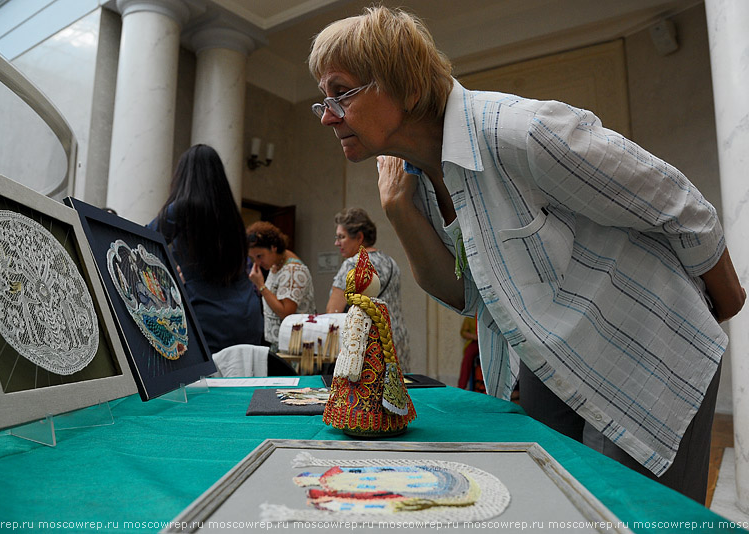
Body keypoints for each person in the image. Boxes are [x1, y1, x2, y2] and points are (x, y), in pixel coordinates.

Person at [308, 6, 745, 503]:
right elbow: (466, 296)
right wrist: (397, 209)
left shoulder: (520, 131)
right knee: (557, 507)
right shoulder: (414, 181)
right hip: (551, 359)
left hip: (643, 349)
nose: (327, 115)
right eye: (323, 99)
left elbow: (678, 203)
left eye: (341, 92)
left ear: (406, 85)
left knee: (637, 514)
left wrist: (724, 303)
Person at [150, 144, 263, 354]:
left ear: (184, 175)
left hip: (206, 314)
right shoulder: (232, 215)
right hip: (247, 313)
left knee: (207, 386)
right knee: (243, 383)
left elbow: (142, 241)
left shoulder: (182, 208)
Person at [323, 246, 415, 436]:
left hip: (361, 371)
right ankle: (389, 419)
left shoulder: (357, 311)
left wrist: (349, 371)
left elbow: (352, 345)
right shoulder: (382, 307)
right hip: (383, 364)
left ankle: (361, 421)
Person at [326, 207, 411, 370]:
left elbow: (333, 312)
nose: (337, 243)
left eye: (341, 237)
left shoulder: (352, 264)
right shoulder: (391, 262)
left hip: (368, 345)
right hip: (395, 341)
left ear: (359, 237)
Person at [247, 221, 316, 352]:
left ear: (273, 247)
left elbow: (286, 313)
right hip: (281, 345)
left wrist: (261, 286)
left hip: (294, 349)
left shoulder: (293, 270)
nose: (257, 262)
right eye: (253, 258)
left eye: (260, 256)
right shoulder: (276, 264)